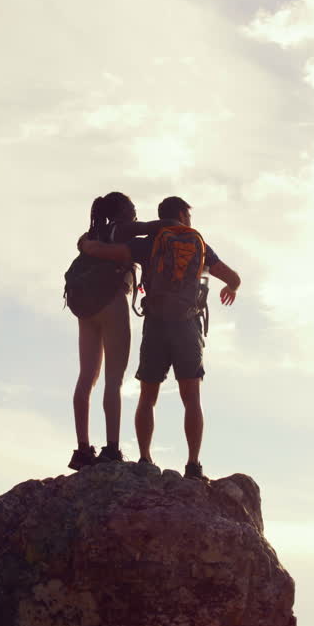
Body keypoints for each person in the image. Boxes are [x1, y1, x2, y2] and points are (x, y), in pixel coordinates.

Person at [77, 196, 241, 480]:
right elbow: (233, 277)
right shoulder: (199, 244)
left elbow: (110, 253)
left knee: (147, 396)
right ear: (181, 214)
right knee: (191, 398)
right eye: (188, 216)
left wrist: (87, 245)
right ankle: (193, 464)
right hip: (187, 326)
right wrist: (232, 288)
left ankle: (144, 458)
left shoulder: (150, 242)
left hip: (155, 325)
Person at [67, 192, 139, 471]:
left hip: (87, 309)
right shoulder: (123, 231)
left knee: (87, 377)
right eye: (132, 208)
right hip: (113, 304)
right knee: (113, 379)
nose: (135, 213)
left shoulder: (90, 236)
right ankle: (111, 449)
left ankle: (83, 450)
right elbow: (150, 230)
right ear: (122, 212)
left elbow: (82, 245)